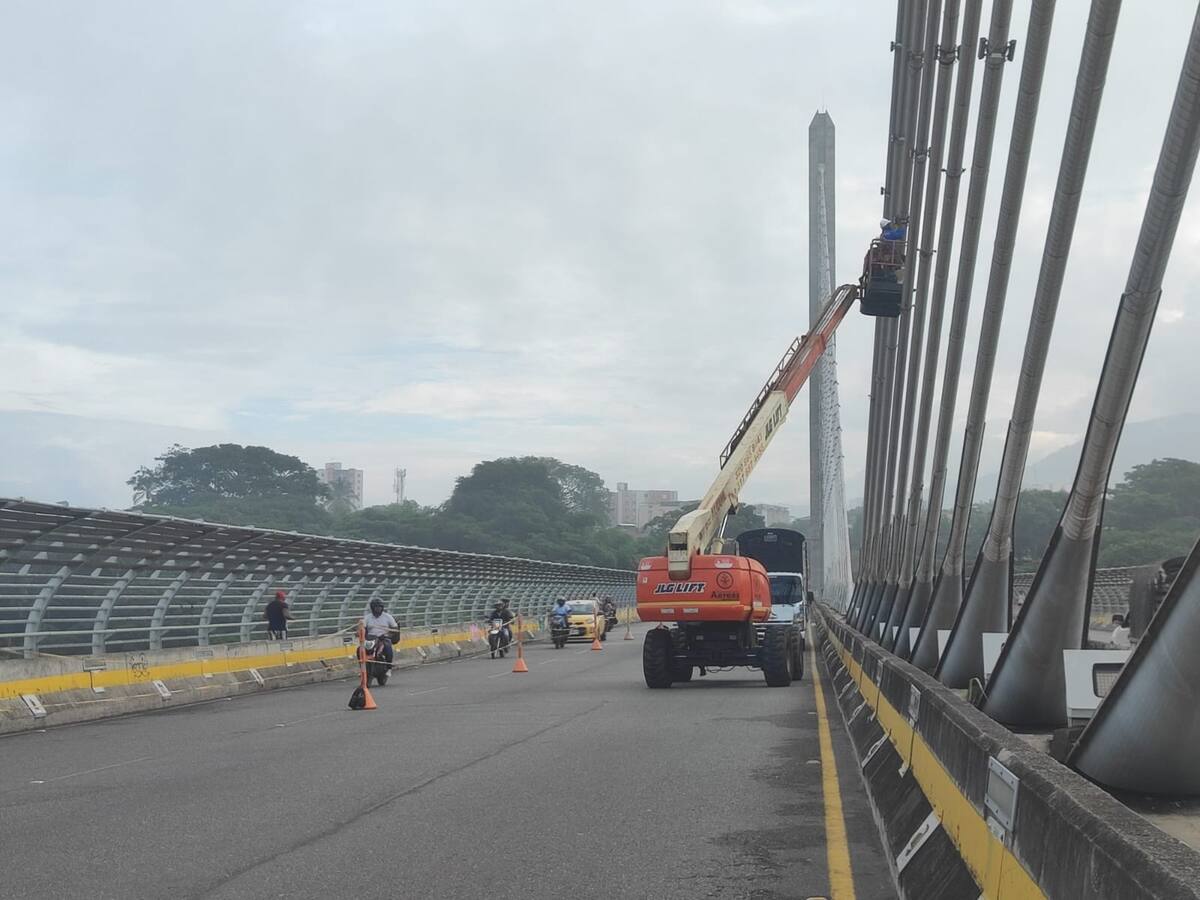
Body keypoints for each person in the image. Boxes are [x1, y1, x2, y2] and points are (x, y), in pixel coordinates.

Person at [363, 600, 398, 667]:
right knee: (360, 650)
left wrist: (387, 635)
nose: (378, 609)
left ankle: (389, 664)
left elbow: (395, 628)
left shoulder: (388, 616)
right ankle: (363, 667)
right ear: (372, 608)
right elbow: (362, 628)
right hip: (371, 639)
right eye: (376, 607)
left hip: (383, 638)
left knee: (388, 646)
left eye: (380, 607)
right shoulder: (367, 617)